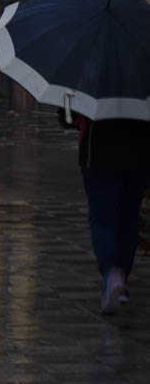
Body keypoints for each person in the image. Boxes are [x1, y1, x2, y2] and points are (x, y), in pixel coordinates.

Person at [61, 110, 150, 313]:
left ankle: (112, 273)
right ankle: (121, 281)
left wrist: (72, 118)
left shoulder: (92, 77)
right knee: (128, 217)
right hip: (141, 147)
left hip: (99, 148)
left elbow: (69, 116)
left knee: (102, 217)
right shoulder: (143, 77)